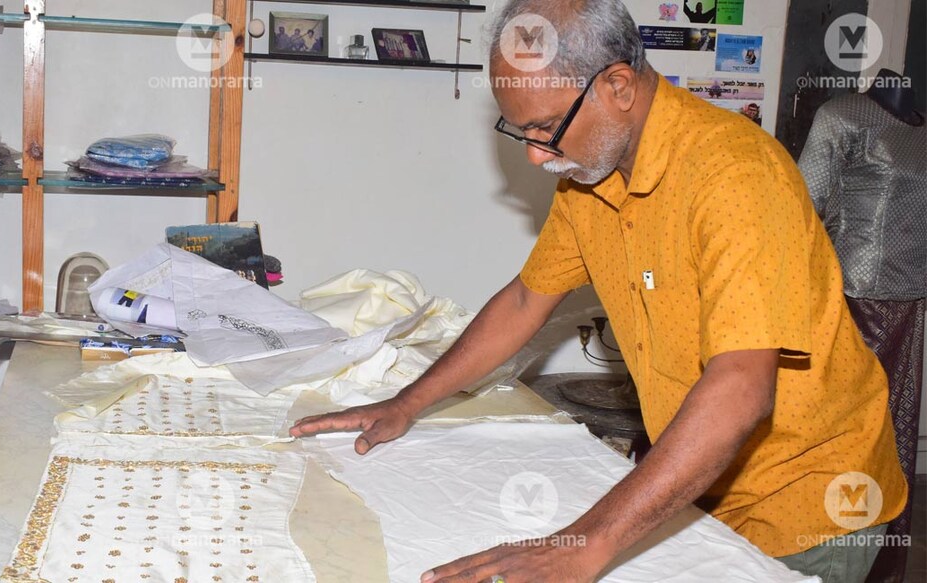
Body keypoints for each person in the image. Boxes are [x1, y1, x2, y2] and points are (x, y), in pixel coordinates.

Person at [290, 0, 906, 581]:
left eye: (546, 127)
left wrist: (586, 543)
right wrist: (407, 403)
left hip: (807, 502)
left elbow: (741, 390)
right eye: (521, 132)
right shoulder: (590, 179)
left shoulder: (736, 176)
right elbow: (526, 300)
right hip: (698, 484)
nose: (536, 158)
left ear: (617, 86)